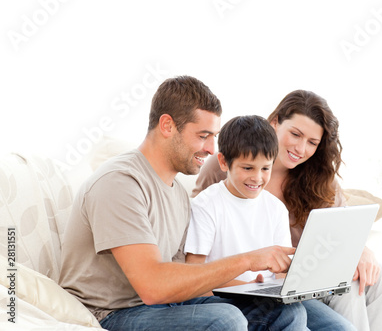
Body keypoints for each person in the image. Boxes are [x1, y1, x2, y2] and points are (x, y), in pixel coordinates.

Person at [58, 76, 308, 331]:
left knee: (286, 313)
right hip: (111, 313)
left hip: (165, 306)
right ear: (167, 125)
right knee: (226, 320)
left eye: (214, 137)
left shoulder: (177, 193)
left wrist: (254, 289)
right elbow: (153, 287)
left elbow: (183, 277)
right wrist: (248, 261)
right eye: (203, 136)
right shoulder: (120, 182)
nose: (211, 148)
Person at [192, 90, 382, 331]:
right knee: (351, 287)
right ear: (274, 123)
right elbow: (197, 231)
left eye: (312, 143)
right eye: (295, 134)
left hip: (301, 280)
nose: (301, 149)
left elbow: (342, 230)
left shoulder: (318, 179)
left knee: (381, 275)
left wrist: (362, 250)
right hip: (255, 284)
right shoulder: (224, 168)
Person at [185, 115, 356, 330]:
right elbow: (192, 277)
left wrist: (283, 285)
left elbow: (281, 273)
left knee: (341, 328)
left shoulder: (275, 208)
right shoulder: (206, 205)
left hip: (266, 295)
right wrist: (246, 287)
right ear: (223, 162)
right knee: (291, 315)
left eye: (265, 168)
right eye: (247, 168)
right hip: (218, 298)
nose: (257, 178)